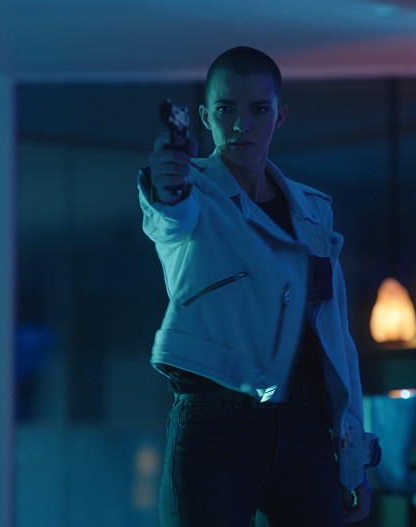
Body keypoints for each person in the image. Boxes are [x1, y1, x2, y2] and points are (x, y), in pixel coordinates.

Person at [137, 46, 379, 526]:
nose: (241, 124)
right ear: (206, 117)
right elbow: (170, 216)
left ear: (280, 115)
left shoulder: (312, 212)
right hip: (215, 420)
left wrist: (353, 458)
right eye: (226, 109)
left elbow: (337, 343)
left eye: (258, 109)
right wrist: (167, 185)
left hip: (305, 427)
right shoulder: (193, 191)